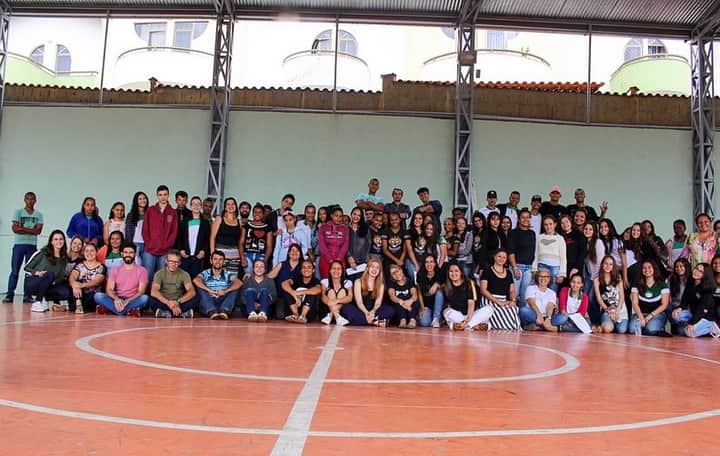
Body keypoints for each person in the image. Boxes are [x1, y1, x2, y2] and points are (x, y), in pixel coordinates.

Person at [4, 192, 44, 303]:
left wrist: (22, 228)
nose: (30, 201)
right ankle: (9, 295)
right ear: (24, 200)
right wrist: (32, 230)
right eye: (28, 199)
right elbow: (15, 229)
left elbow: (38, 231)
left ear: (35, 201)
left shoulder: (38, 214)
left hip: (32, 246)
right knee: (15, 271)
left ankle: (28, 295)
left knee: (29, 272)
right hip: (19, 245)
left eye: (32, 199)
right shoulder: (18, 212)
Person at [94, 243, 148, 317]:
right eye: (125, 252)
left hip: (132, 299)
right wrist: (116, 299)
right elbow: (109, 289)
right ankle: (127, 311)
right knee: (98, 296)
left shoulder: (142, 270)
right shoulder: (115, 270)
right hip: (117, 298)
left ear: (135, 254)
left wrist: (127, 301)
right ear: (122, 254)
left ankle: (112, 310)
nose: (128, 255)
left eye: (131, 252)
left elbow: (141, 291)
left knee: (145, 298)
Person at [340, 257, 394, 326]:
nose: (374, 269)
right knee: (346, 308)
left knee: (391, 310)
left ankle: (366, 320)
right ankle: (375, 322)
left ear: (380, 271)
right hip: (360, 309)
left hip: (374, 310)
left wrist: (372, 312)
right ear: (367, 268)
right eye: (372, 267)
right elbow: (359, 302)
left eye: (377, 268)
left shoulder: (381, 285)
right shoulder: (358, 281)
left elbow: (378, 303)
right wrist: (366, 313)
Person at [25, 230, 69, 312]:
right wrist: (37, 273)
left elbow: (60, 276)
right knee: (49, 274)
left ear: (64, 241)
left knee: (65, 292)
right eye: (56, 239)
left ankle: (44, 299)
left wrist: (54, 282)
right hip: (33, 282)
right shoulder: (42, 253)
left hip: (49, 284)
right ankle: (37, 302)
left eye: (61, 239)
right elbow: (27, 268)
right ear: (51, 242)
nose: (59, 241)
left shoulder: (64, 258)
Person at [142, 185, 178, 283]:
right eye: (160, 195)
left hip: (165, 251)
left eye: (165, 194)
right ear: (157, 196)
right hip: (150, 249)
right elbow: (145, 229)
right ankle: (148, 293)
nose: (163, 197)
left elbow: (174, 232)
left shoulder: (172, 212)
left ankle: (158, 293)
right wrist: (149, 243)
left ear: (168, 195)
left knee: (161, 276)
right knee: (148, 275)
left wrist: (167, 245)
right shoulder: (150, 210)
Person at [193, 250, 242, 320]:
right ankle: (212, 311)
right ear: (211, 261)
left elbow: (239, 282)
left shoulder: (227, 273)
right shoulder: (206, 273)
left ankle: (224, 311)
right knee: (200, 287)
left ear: (224, 262)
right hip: (208, 303)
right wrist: (210, 290)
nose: (217, 262)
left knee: (235, 286)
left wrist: (225, 291)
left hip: (223, 302)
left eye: (220, 259)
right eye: (215, 259)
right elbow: (196, 280)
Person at [479, 249, 521, 330]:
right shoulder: (487, 271)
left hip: (503, 300)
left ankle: (515, 331)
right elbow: (483, 290)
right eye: (499, 256)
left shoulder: (508, 273)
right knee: (502, 311)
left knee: (513, 309)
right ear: (494, 257)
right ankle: (508, 330)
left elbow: (512, 290)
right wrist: (498, 302)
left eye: (504, 257)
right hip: (489, 300)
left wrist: (513, 300)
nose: (501, 259)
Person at [443, 262, 493, 331]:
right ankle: (473, 326)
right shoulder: (446, 287)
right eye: (451, 271)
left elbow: (471, 304)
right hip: (459, 316)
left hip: (471, 314)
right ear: (448, 273)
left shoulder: (469, 283)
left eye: (456, 271)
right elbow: (449, 306)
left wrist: (467, 320)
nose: (453, 273)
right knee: (446, 311)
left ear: (461, 272)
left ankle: (464, 326)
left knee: (489, 309)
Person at [149, 250, 197, 319]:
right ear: (166, 261)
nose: (173, 264)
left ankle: (166, 313)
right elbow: (154, 291)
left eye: (176, 262)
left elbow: (192, 291)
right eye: (171, 261)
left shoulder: (184, 274)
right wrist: (168, 303)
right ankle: (182, 313)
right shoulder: (159, 273)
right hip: (164, 302)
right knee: (150, 299)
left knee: (197, 297)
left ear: (180, 263)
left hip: (179, 302)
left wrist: (177, 302)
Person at [677, 262, 720, 337]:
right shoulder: (690, 282)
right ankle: (694, 326)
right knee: (677, 316)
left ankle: (711, 327)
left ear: (705, 275)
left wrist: (691, 323)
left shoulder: (708, 289)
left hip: (706, 317)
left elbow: (701, 309)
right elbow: (685, 299)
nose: (696, 272)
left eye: (701, 271)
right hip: (694, 314)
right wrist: (680, 308)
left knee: (687, 332)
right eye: (696, 269)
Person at [628, 260, 670, 336]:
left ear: (654, 269)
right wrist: (641, 317)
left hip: (657, 314)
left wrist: (649, 316)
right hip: (641, 313)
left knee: (651, 329)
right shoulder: (637, 284)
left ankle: (655, 327)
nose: (647, 270)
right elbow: (635, 303)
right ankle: (646, 327)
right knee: (632, 329)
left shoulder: (662, 285)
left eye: (649, 267)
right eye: (644, 268)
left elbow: (665, 304)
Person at [508, 209, 536, 308]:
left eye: (528, 217)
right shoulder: (513, 233)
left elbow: (533, 252)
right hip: (517, 266)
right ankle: (512, 315)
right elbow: (510, 252)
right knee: (514, 295)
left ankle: (523, 316)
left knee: (525, 296)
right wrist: (514, 267)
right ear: (519, 219)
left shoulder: (532, 233)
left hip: (528, 268)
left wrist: (533, 268)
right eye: (523, 217)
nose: (525, 219)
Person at [66, 243, 106, 314]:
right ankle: (78, 304)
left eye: (92, 251)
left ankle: (71, 306)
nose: (89, 253)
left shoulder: (101, 267)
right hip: (79, 294)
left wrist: (81, 285)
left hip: (92, 295)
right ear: (84, 253)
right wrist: (75, 285)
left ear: (96, 252)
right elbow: (72, 277)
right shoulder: (80, 265)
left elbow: (96, 282)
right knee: (73, 285)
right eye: (86, 251)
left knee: (80, 285)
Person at [178, 196, 210, 279]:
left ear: (201, 206)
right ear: (191, 206)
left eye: (198, 204)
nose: (196, 206)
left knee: (196, 279)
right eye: (194, 204)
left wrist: (203, 251)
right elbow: (180, 237)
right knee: (184, 279)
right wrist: (181, 250)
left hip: (198, 256)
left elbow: (207, 239)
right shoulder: (185, 221)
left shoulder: (205, 222)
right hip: (186, 255)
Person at [531, 215, 567, 292]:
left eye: (550, 224)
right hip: (541, 265)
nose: (548, 227)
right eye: (546, 224)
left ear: (555, 224)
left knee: (552, 290)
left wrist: (562, 274)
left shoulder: (560, 238)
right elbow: (536, 254)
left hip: (555, 267)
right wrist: (534, 268)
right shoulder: (539, 237)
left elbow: (563, 257)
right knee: (539, 289)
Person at [595, 255, 628, 333]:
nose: (608, 266)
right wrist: (609, 311)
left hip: (620, 310)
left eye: (611, 264)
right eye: (606, 263)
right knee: (607, 328)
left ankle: (609, 324)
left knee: (622, 330)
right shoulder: (597, 280)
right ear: (602, 264)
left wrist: (617, 311)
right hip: (607, 310)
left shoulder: (618, 277)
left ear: (613, 266)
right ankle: (607, 325)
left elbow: (622, 297)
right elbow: (599, 299)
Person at [210, 197, 243, 277]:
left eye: (233, 204)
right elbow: (212, 237)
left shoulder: (239, 221)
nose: (230, 206)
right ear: (225, 207)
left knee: (233, 278)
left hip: (235, 255)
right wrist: (212, 254)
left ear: (236, 206)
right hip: (220, 254)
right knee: (219, 277)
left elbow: (239, 240)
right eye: (228, 204)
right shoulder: (219, 219)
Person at [239, 203, 273, 275]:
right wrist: (242, 257)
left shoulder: (267, 228)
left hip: (261, 256)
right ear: (252, 213)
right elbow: (241, 242)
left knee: (259, 276)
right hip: (247, 255)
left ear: (263, 214)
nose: (257, 214)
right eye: (255, 212)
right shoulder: (246, 226)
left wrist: (265, 260)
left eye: (260, 212)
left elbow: (269, 246)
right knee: (248, 277)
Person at [318, 206, 350, 279]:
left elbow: (345, 245)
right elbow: (322, 245)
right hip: (325, 260)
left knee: (340, 282)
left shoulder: (345, 229)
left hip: (340, 259)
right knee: (326, 282)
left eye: (340, 216)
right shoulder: (323, 228)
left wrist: (338, 259)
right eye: (336, 216)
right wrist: (330, 259)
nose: (338, 218)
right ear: (331, 215)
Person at [583, 221, 604, 326]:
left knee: (592, 299)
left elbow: (600, 261)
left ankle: (597, 322)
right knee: (586, 298)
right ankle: (593, 322)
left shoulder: (598, 242)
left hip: (596, 276)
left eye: (590, 229)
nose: (587, 231)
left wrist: (597, 277)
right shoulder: (586, 242)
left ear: (594, 231)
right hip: (588, 275)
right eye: (586, 229)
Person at [320, 260, 352, 325]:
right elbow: (323, 296)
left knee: (342, 291)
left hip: (342, 312)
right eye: (334, 268)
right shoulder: (324, 281)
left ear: (342, 271)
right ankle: (337, 317)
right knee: (331, 291)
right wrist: (330, 302)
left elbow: (350, 297)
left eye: (339, 269)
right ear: (330, 270)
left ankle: (331, 315)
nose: (336, 271)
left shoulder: (348, 282)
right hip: (327, 309)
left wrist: (337, 301)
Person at [417, 254, 445, 327]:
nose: (429, 264)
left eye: (431, 262)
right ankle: (434, 317)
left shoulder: (440, 273)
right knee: (425, 323)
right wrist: (422, 308)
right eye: (426, 262)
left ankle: (436, 318)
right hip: (427, 305)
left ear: (435, 263)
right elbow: (419, 293)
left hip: (439, 304)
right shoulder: (420, 275)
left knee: (439, 292)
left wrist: (437, 284)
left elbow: (446, 288)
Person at [559, 214, 586, 285]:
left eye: (567, 221)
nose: (565, 224)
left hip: (575, 268)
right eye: (562, 223)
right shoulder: (559, 236)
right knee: (562, 289)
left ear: (571, 222)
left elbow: (583, 252)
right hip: (562, 269)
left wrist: (576, 267)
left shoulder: (579, 235)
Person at [125, 191, 148, 264]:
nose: (143, 200)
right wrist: (131, 246)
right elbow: (128, 231)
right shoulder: (131, 215)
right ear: (136, 201)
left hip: (147, 245)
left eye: (144, 198)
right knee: (137, 265)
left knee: (147, 267)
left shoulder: (150, 213)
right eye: (140, 199)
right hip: (135, 243)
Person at [346, 207, 370, 278]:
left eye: (359, 215)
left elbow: (368, 245)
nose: (356, 217)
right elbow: (344, 245)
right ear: (351, 214)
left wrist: (365, 259)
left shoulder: (365, 229)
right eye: (354, 214)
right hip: (348, 261)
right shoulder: (346, 228)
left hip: (362, 263)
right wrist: (349, 257)